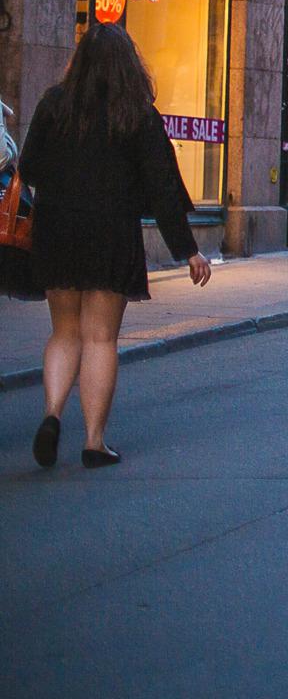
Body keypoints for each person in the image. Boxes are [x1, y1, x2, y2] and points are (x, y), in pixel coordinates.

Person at [15, 25, 214, 469]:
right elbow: (163, 188)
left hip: (57, 231)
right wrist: (188, 251)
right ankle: (93, 441)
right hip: (110, 234)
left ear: (80, 61)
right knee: (100, 337)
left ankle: (50, 414)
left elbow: (29, 167)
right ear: (129, 66)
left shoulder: (53, 104)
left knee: (64, 331)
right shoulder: (138, 115)